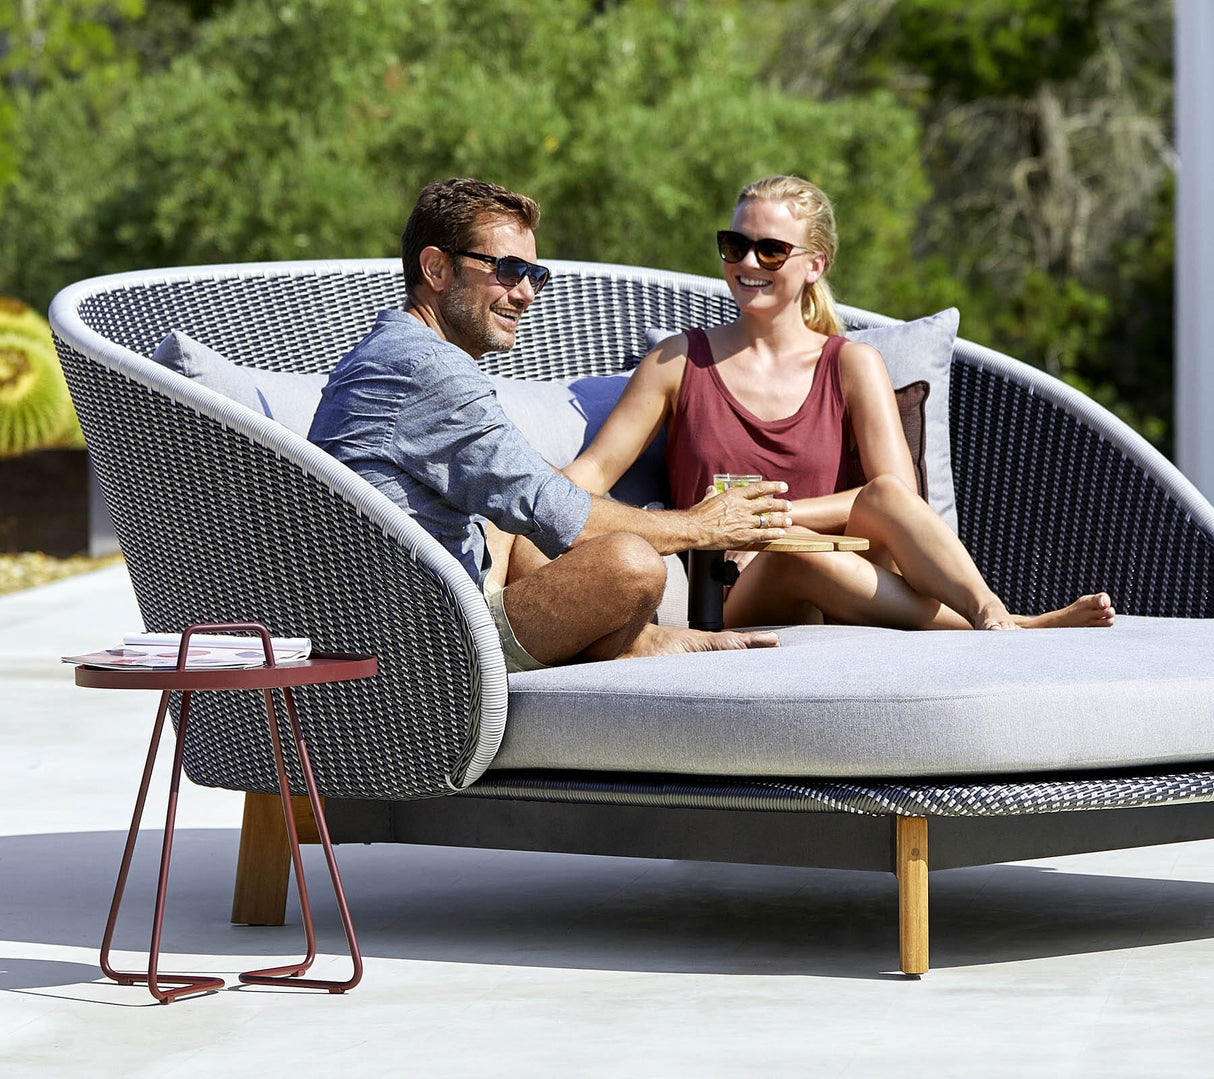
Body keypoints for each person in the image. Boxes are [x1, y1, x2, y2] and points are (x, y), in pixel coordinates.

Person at [562, 174, 1115, 632]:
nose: (747, 262)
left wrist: (770, 517)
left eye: (771, 250)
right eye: (734, 245)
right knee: (796, 552)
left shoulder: (852, 363)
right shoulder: (678, 361)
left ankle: (989, 606)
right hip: (736, 589)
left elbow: (899, 499)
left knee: (885, 494)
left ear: (815, 264)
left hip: (850, 567)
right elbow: (590, 475)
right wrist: (520, 495)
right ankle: (1017, 625)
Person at [309, 177, 792, 672]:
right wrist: (699, 526)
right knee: (631, 564)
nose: (524, 293)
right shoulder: (426, 367)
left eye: (533, 275)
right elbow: (555, 510)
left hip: (391, 616)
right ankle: (636, 642)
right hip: (418, 647)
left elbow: (529, 491)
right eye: (507, 270)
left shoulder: (393, 351)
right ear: (435, 267)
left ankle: (637, 641)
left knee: (519, 512)